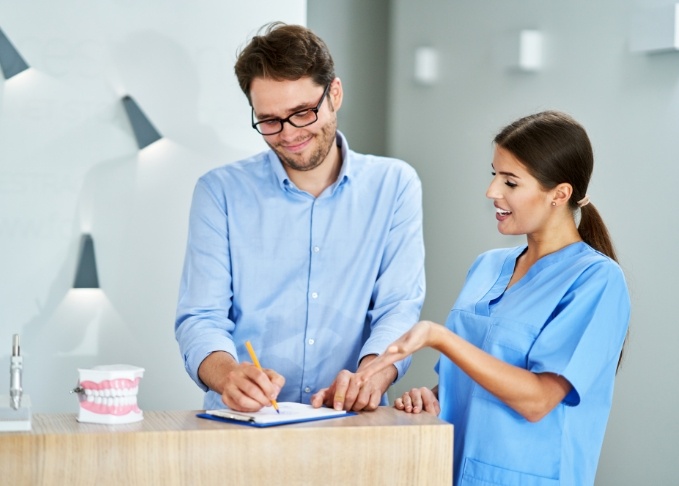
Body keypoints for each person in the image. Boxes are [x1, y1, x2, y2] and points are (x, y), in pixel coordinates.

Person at [356, 111, 630, 485]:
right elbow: (474, 380)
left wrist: (440, 337)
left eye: (510, 182)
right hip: (449, 472)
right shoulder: (487, 267)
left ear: (560, 194)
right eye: (494, 175)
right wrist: (433, 397)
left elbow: (538, 401)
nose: (492, 192)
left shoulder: (597, 281)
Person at [174, 22, 425, 414]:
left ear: (334, 94)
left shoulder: (394, 185)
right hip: (245, 423)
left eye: (302, 113)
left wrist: (370, 377)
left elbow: (398, 308)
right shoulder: (219, 192)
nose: (288, 134)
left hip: (351, 420)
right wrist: (227, 375)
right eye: (269, 120)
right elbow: (200, 317)